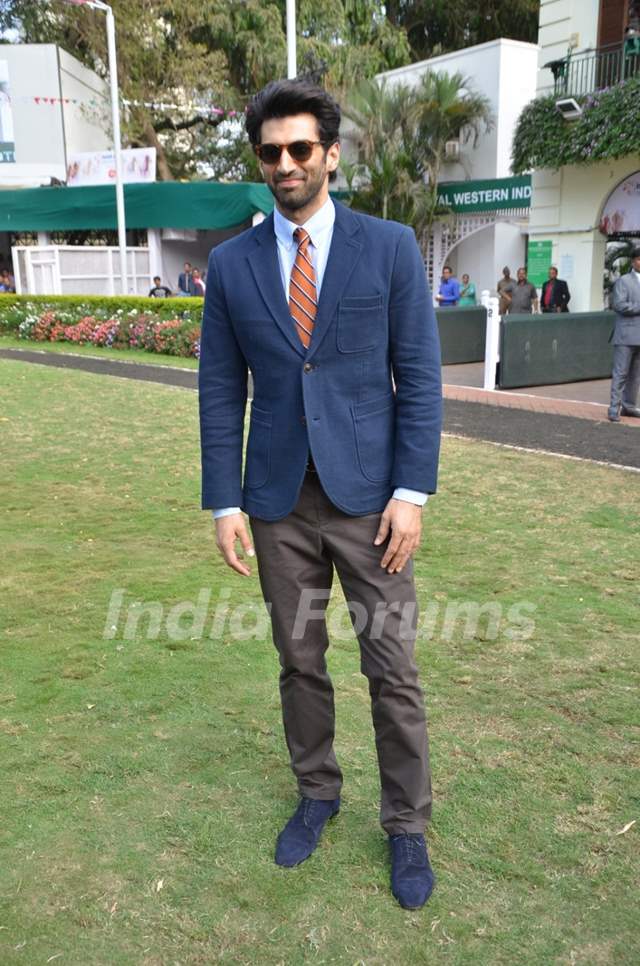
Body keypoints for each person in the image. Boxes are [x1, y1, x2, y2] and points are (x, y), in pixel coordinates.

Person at [198, 78, 442, 911]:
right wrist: (223, 501)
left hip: (372, 501)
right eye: (271, 151)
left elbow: (419, 378)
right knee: (300, 662)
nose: (286, 163)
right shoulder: (231, 265)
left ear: (331, 155)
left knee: (393, 667)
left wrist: (410, 492)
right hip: (275, 502)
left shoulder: (390, 248)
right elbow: (219, 390)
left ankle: (406, 825)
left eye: (301, 148)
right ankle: (318, 792)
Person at [608, 245, 640, 421]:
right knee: (620, 373)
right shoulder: (624, 281)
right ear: (634, 261)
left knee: (636, 375)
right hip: (625, 335)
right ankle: (614, 408)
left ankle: (629, 406)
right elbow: (619, 305)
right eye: (639, 259)